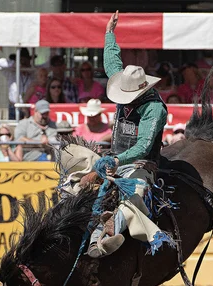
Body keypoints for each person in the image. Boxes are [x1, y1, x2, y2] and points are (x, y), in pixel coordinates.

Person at [84, 10, 171, 259]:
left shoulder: (154, 108)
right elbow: (112, 63)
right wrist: (109, 33)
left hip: (141, 164)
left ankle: (109, 231)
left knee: (135, 194)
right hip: (115, 159)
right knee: (74, 182)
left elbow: (144, 145)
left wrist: (116, 161)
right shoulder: (128, 82)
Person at [0, 47, 35, 119]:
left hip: (28, 106)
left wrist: (28, 69)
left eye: (25, 61)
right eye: (21, 61)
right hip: (14, 106)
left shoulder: (32, 73)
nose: (23, 63)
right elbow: (0, 62)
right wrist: (15, 65)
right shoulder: (11, 72)